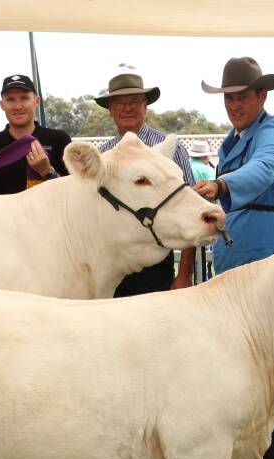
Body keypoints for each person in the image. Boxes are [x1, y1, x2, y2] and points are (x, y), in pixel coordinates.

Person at [194, 57, 274, 459]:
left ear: (262, 96)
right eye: (229, 98)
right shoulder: (234, 138)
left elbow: (260, 173)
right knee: (247, 363)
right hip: (240, 256)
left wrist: (219, 187)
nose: (235, 105)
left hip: (272, 256)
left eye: (243, 96)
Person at [96, 73, 198, 294]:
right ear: (110, 110)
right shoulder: (102, 155)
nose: (127, 108)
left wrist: (184, 274)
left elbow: (189, 208)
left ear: (145, 106)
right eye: (120, 103)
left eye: (134, 102)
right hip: (111, 268)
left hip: (155, 265)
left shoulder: (169, 147)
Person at [0, 74, 72, 197]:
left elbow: (74, 193)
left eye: (24, 98)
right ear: (2, 105)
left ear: (36, 101)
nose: (17, 106)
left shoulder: (59, 140)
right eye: (10, 100)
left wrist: (47, 171)